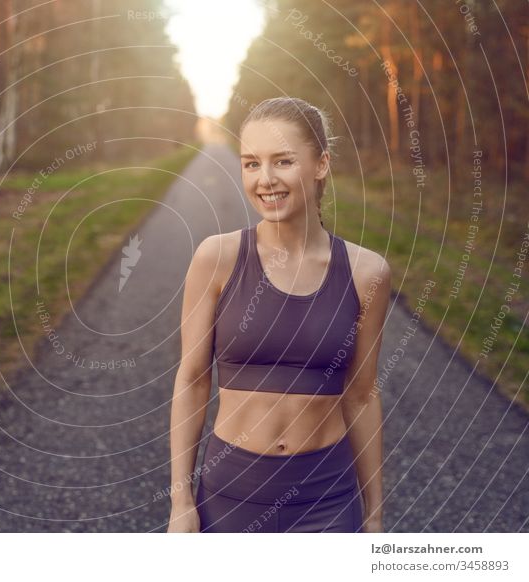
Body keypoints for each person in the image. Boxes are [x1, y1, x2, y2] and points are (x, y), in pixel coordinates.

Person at [167, 97, 390, 533]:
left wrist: (375, 516)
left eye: (283, 161)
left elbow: (361, 395)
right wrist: (181, 503)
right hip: (230, 495)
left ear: (321, 164)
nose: (265, 179)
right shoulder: (217, 258)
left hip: (327, 500)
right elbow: (192, 380)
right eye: (251, 164)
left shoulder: (367, 273)